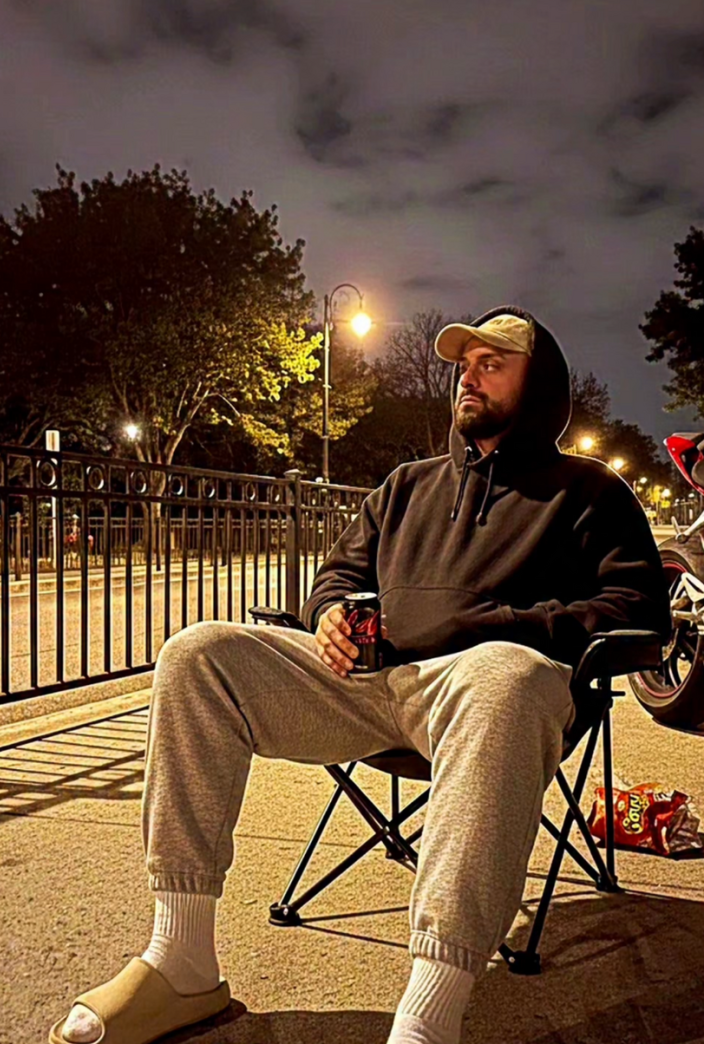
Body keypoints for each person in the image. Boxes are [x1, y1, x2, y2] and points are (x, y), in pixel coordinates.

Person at [50, 306, 669, 1044]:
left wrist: (499, 626)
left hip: (484, 695)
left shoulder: (590, 492)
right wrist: (329, 615)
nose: (468, 378)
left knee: (503, 674)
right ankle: (180, 959)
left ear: (538, 385)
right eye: (463, 366)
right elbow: (338, 575)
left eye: (491, 364)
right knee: (197, 653)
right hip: (369, 686)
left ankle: (430, 1012)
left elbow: (639, 613)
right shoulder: (407, 485)